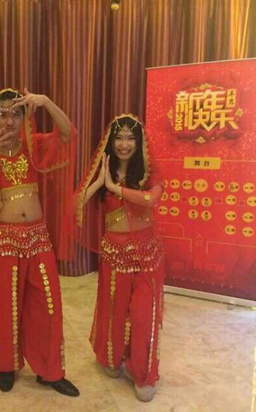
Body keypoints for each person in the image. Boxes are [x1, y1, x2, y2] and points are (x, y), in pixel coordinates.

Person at [0, 88, 79, 397]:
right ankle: (7, 366)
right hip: (4, 239)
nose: (9, 120)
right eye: (2, 113)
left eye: (16, 113)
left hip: (38, 237)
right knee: (6, 305)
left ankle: (50, 371)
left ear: (25, 117)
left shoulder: (34, 145)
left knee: (49, 304)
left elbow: (68, 133)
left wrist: (47, 102)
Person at [73, 114, 165, 402]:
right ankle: (113, 356)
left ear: (139, 142)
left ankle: (143, 373)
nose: (124, 144)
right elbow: (76, 203)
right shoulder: (105, 172)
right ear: (110, 142)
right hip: (115, 256)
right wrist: (100, 182)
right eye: (119, 138)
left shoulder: (149, 172)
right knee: (115, 311)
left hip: (147, 257)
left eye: (130, 138)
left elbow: (151, 199)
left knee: (142, 315)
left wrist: (115, 189)